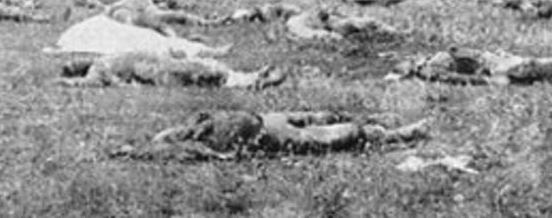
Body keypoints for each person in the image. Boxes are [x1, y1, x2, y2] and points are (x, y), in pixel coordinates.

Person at [113, 110, 429, 161]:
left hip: (264, 121)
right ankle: (399, 135)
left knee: (323, 120)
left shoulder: (173, 137)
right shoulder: (189, 148)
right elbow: (218, 154)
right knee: (338, 135)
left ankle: (386, 126)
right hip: (266, 135)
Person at [387, 46, 552, 86]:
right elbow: (457, 79)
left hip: (496, 60)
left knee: (544, 69)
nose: (407, 62)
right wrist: (489, 81)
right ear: (407, 71)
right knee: (551, 64)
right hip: (495, 68)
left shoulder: (427, 61)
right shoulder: (429, 71)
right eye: (401, 67)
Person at [58, 52, 286, 89]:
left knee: (194, 69)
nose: (77, 61)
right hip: (151, 68)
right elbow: (88, 83)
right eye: (73, 64)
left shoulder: (102, 60)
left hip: (153, 64)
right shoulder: (98, 67)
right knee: (193, 73)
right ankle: (252, 79)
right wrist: (66, 82)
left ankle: (249, 78)